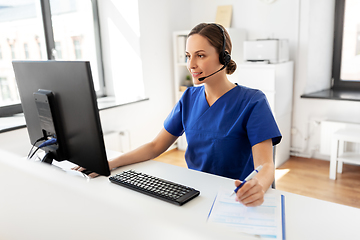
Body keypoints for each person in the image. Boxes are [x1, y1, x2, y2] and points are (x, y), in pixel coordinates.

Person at [81, 23, 282, 207]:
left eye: (200, 55)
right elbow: (154, 147)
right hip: (195, 195)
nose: (191, 64)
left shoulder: (253, 101)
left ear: (224, 56)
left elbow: (265, 165)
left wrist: (258, 185)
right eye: (188, 56)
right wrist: (109, 164)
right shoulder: (189, 97)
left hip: (235, 198)